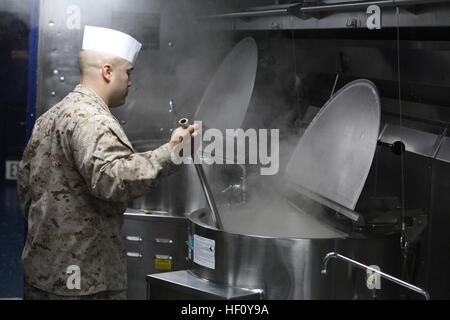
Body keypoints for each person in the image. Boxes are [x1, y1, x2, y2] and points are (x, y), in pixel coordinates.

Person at [17, 26, 197, 300]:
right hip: (82, 282)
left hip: (43, 274)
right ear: (108, 71)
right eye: (128, 72)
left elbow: (26, 189)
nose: (130, 81)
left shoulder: (51, 116)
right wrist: (173, 151)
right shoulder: (93, 119)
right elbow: (114, 179)